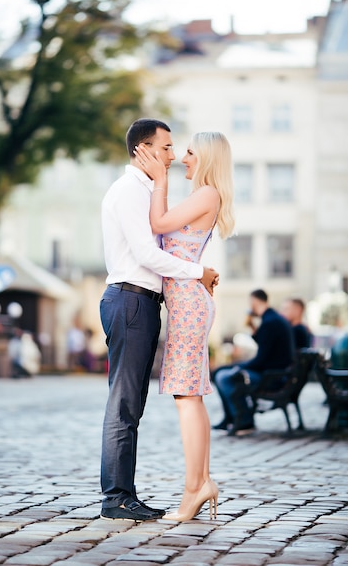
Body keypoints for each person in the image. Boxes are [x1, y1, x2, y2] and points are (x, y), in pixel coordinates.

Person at [99, 118, 219, 522]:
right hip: (131, 299)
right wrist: (197, 272)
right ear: (144, 149)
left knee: (135, 403)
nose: (172, 154)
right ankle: (117, 497)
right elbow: (148, 254)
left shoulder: (152, 192)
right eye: (166, 147)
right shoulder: (130, 192)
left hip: (147, 302)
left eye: (176, 149)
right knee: (125, 404)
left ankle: (129, 494)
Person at [134, 130, 235, 522]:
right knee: (190, 396)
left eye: (190, 152)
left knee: (186, 396)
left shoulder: (206, 193)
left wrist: (160, 180)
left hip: (190, 304)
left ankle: (195, 488)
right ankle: (201, 482)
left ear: (207, 158)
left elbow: (158, 224)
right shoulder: (203, 195)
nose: (182, 158)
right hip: (189, 302)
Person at [213, 289, 295, 436]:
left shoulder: (270, 322)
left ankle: (244, 420)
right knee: (222, 372)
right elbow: (267, 345)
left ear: (254, 302)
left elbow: (261, 359)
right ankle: (231, 418)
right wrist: (252, 326)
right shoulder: (274, 319)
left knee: (223, 377)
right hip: (276, 372)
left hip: (271, 376)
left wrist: (238, 366)